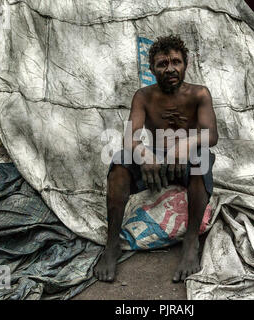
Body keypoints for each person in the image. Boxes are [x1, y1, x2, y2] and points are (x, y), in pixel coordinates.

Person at [94, 35, 218, 283]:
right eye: (162, 64)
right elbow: (130, 139)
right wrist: (145, 154)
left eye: (176, 62)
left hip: (188, 159)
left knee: (202, 158)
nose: (170, 68)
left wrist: (184, 145)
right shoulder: (143, 96)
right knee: (120, 163)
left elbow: (211, 135)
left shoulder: (200, 94)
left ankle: (191, 242)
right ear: (152, 69)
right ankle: (112, 245)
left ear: (186, 64)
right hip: (157, 162)